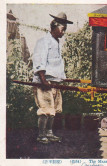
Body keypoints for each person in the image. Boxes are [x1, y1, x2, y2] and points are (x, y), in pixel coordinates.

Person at [32, 12, 73, 144]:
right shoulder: (44, 41)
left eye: (64, 30)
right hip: (44, 81)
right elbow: (39, 61)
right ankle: (41, 134)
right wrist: (43, 80)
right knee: (45, 110)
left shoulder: (56, 42)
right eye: (62, 29)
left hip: (54, 82)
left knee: (53, 110)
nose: (63, 33)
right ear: (54, 27)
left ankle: (49, 133)